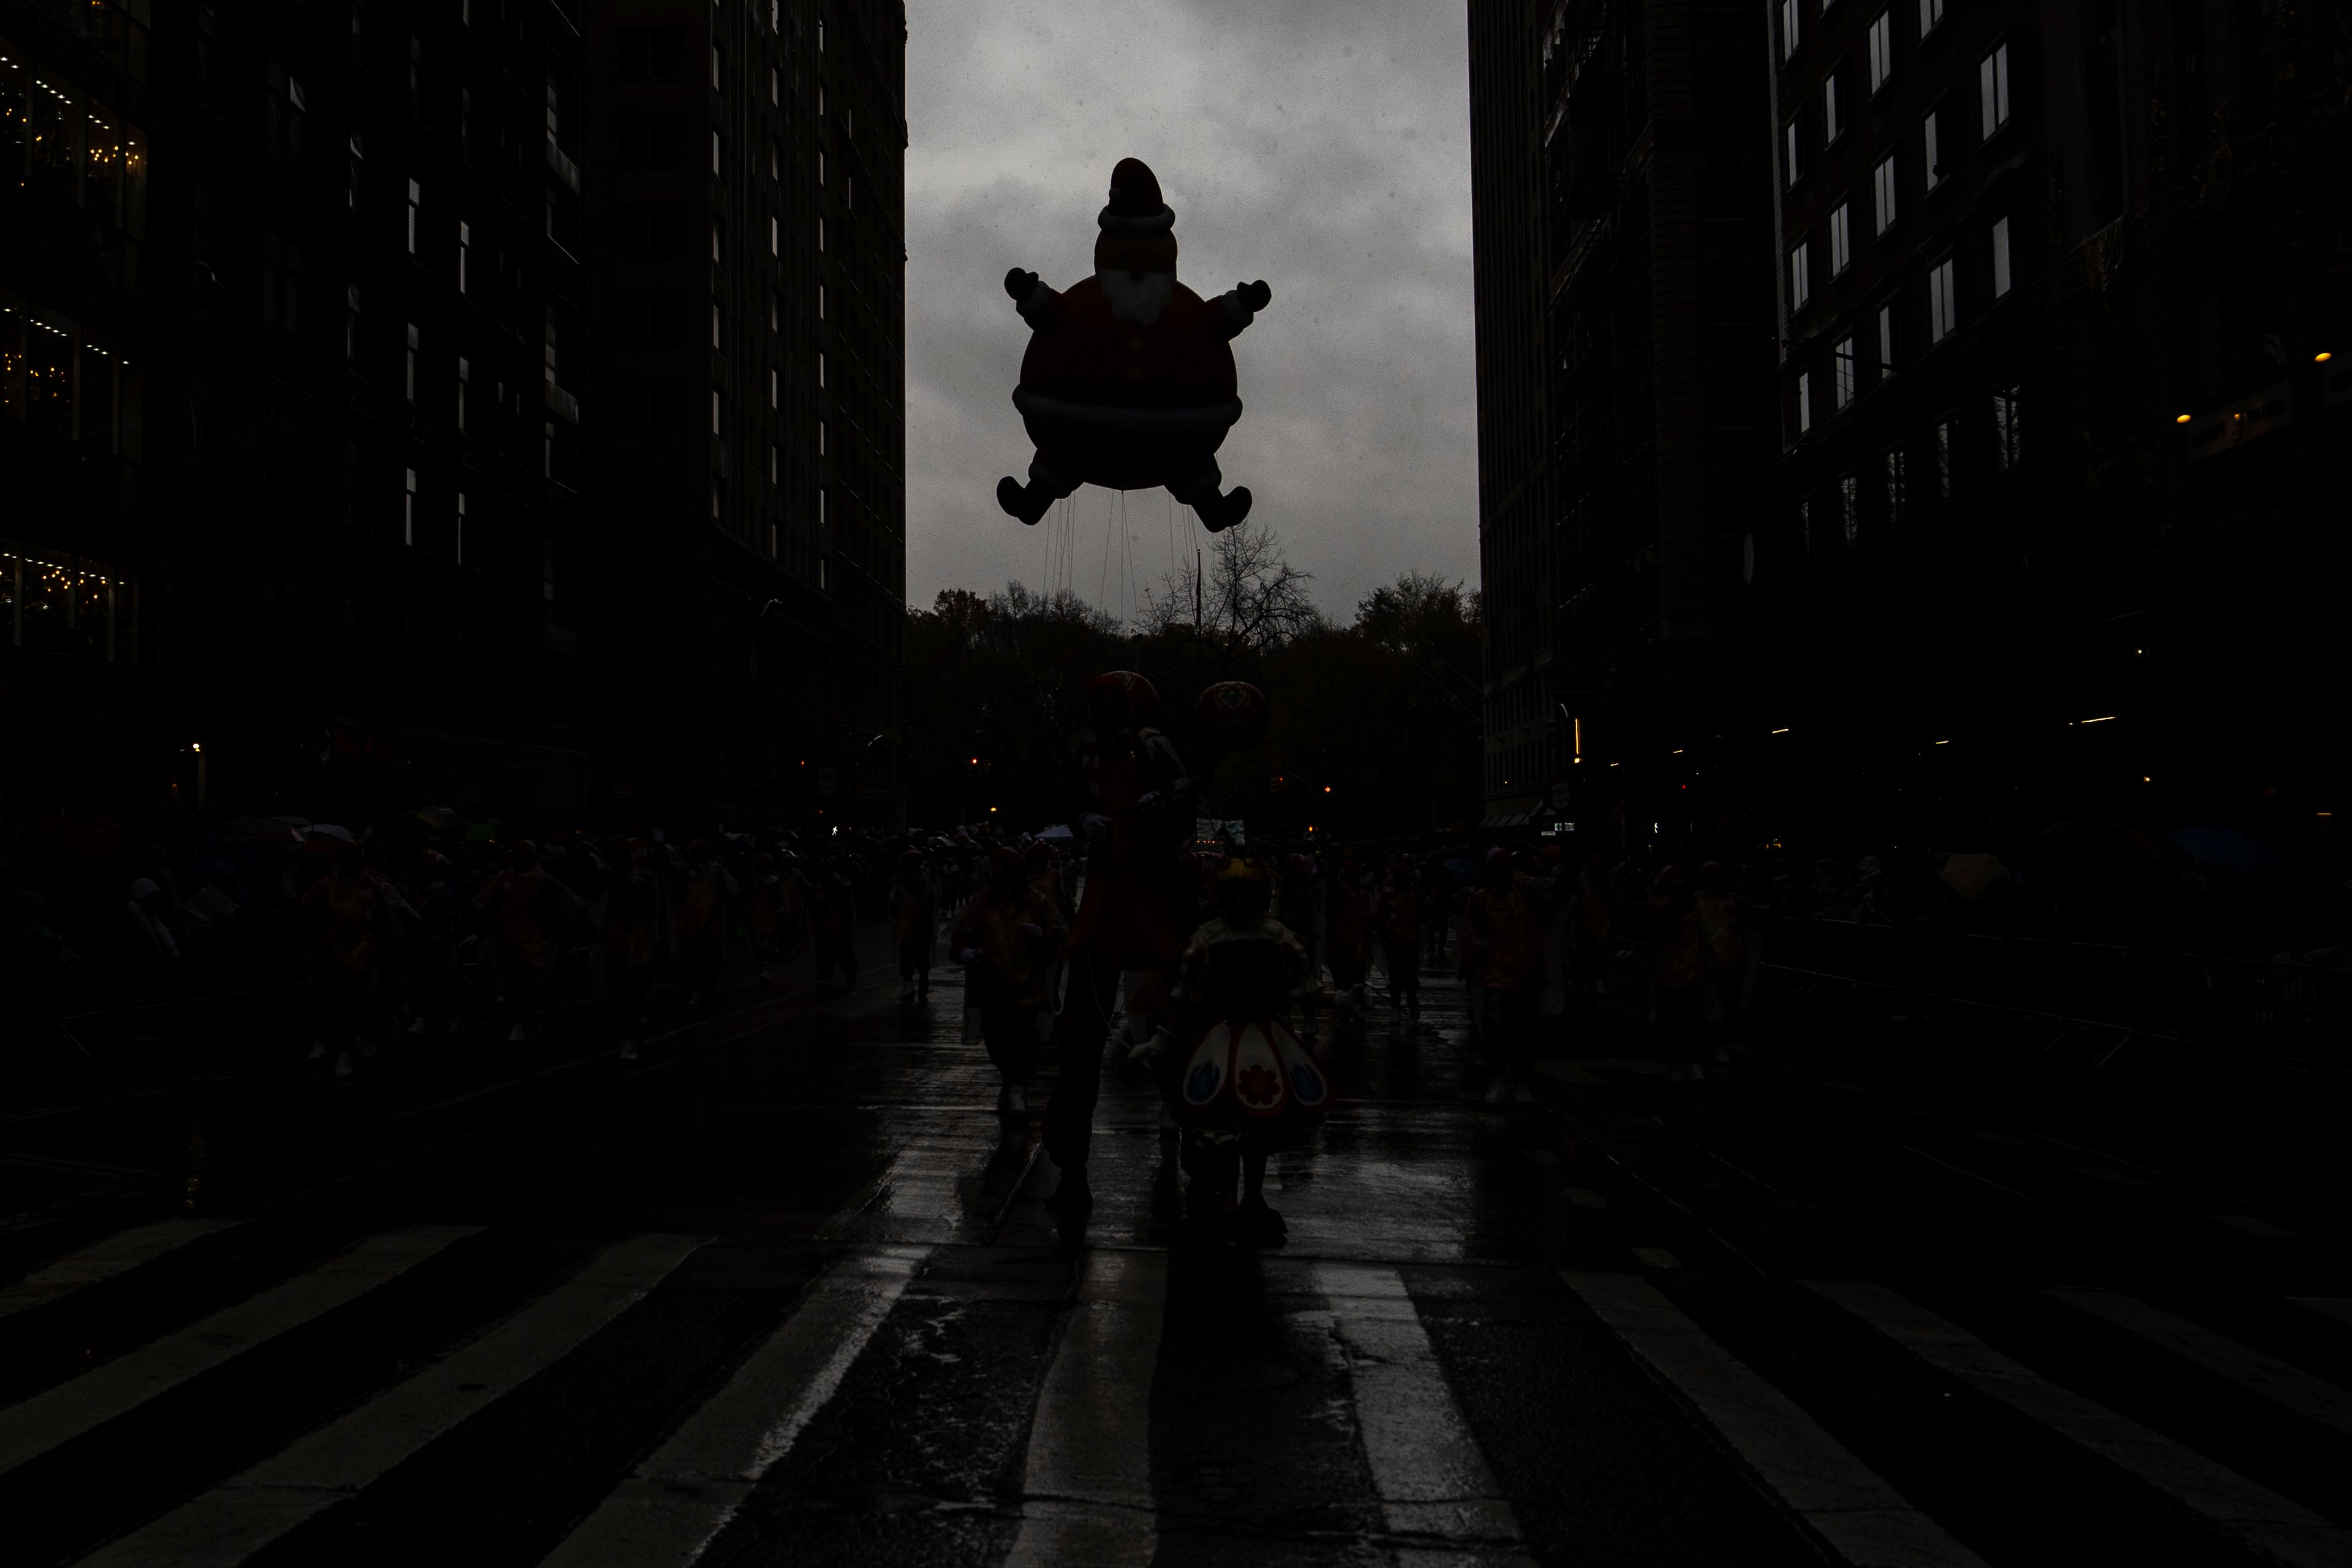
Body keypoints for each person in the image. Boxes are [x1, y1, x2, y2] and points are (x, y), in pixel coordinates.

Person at [1042, 670, 1194, 1212]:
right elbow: (1063, 797)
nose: (1102, 714)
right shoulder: (1080, 752)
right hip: (1105, 895)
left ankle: (1200, 1138)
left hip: (1153, 892)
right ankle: (1070, 1166)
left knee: (1183, 1017)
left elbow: (1184, 795)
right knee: (1081, 1033)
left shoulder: (1152, 745)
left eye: (1112, 704)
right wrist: (1083, 819)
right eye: (1096, 704)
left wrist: (1157, 810)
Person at [1142, 854, 1323, 1244]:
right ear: (1221, 897)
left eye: (1246, 895)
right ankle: (1227, 1197)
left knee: (1257, 1126)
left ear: (1259, 897)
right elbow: (1185, 995)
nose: (1239, 903)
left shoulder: (1278, 936)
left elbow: (1303, 986)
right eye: (1232, 895)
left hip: (1264, 1041)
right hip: (1220, 1041)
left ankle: (1253, 1197)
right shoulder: (1207, 938)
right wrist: (1163, 1039)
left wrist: (1338, 1001)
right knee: (1225, 1126)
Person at [953, 847, 1068, 1116]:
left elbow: (1059, 932)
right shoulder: (981, 902)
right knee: (995, 1037)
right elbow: (962, 931)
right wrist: (963, 951)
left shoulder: (1038, 902)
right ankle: (1009, 1079)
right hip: (991, 986)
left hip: (1028, 985)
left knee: (1024, 1037)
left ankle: (1018, 1087)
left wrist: (1044, 937)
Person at [1460, 848, 1554, 1104]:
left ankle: (1522, 1081)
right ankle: (1498, 1078)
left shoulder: (1527, 891)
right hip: (1496, 975)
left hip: (1528, 974)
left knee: (1526, 1030)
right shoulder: (1479, 901)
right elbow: (1472, 937)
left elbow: (1557, 897)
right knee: (1497, 1029)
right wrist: (1469, 970)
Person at [476, 840, 581, 1043]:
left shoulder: (542, 882)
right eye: (516, 854)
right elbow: (490, 906)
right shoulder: (503, 880)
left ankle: (522, 1021)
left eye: (522, 855)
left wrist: (566, 940)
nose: (517, 858)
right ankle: (522, 1020)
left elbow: (558, 911)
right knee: (512, 981)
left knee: (527, 983)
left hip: (534, 942)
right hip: (507, 939)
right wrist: (481, 929)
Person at [603, 840, 662, 1058]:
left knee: (634, 985)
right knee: (617, 987)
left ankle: (630, 1038)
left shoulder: (648, 879)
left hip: (640, 941)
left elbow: (652, 910)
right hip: (618, 938)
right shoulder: (616, 877)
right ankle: (632, 1026)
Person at [1371, 867, 1425, 1017]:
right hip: (1393, 941)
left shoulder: (1417, 895)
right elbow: (1378, 916)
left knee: (1411, 974)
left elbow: (1426, 912)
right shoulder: (1388, 896)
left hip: (1413, 941)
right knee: (1395, 975)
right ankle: (1395, 1006)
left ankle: (1411, 998)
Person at [891, 850, 937, 1003]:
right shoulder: (901, 879)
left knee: (922, 956)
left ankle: (923, 981)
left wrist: (921, 917)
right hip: (905, 924)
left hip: (920, 924)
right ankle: (908, 985)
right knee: (905, 956)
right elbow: (894, 898)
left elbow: (929, 902)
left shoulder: (925, 879)